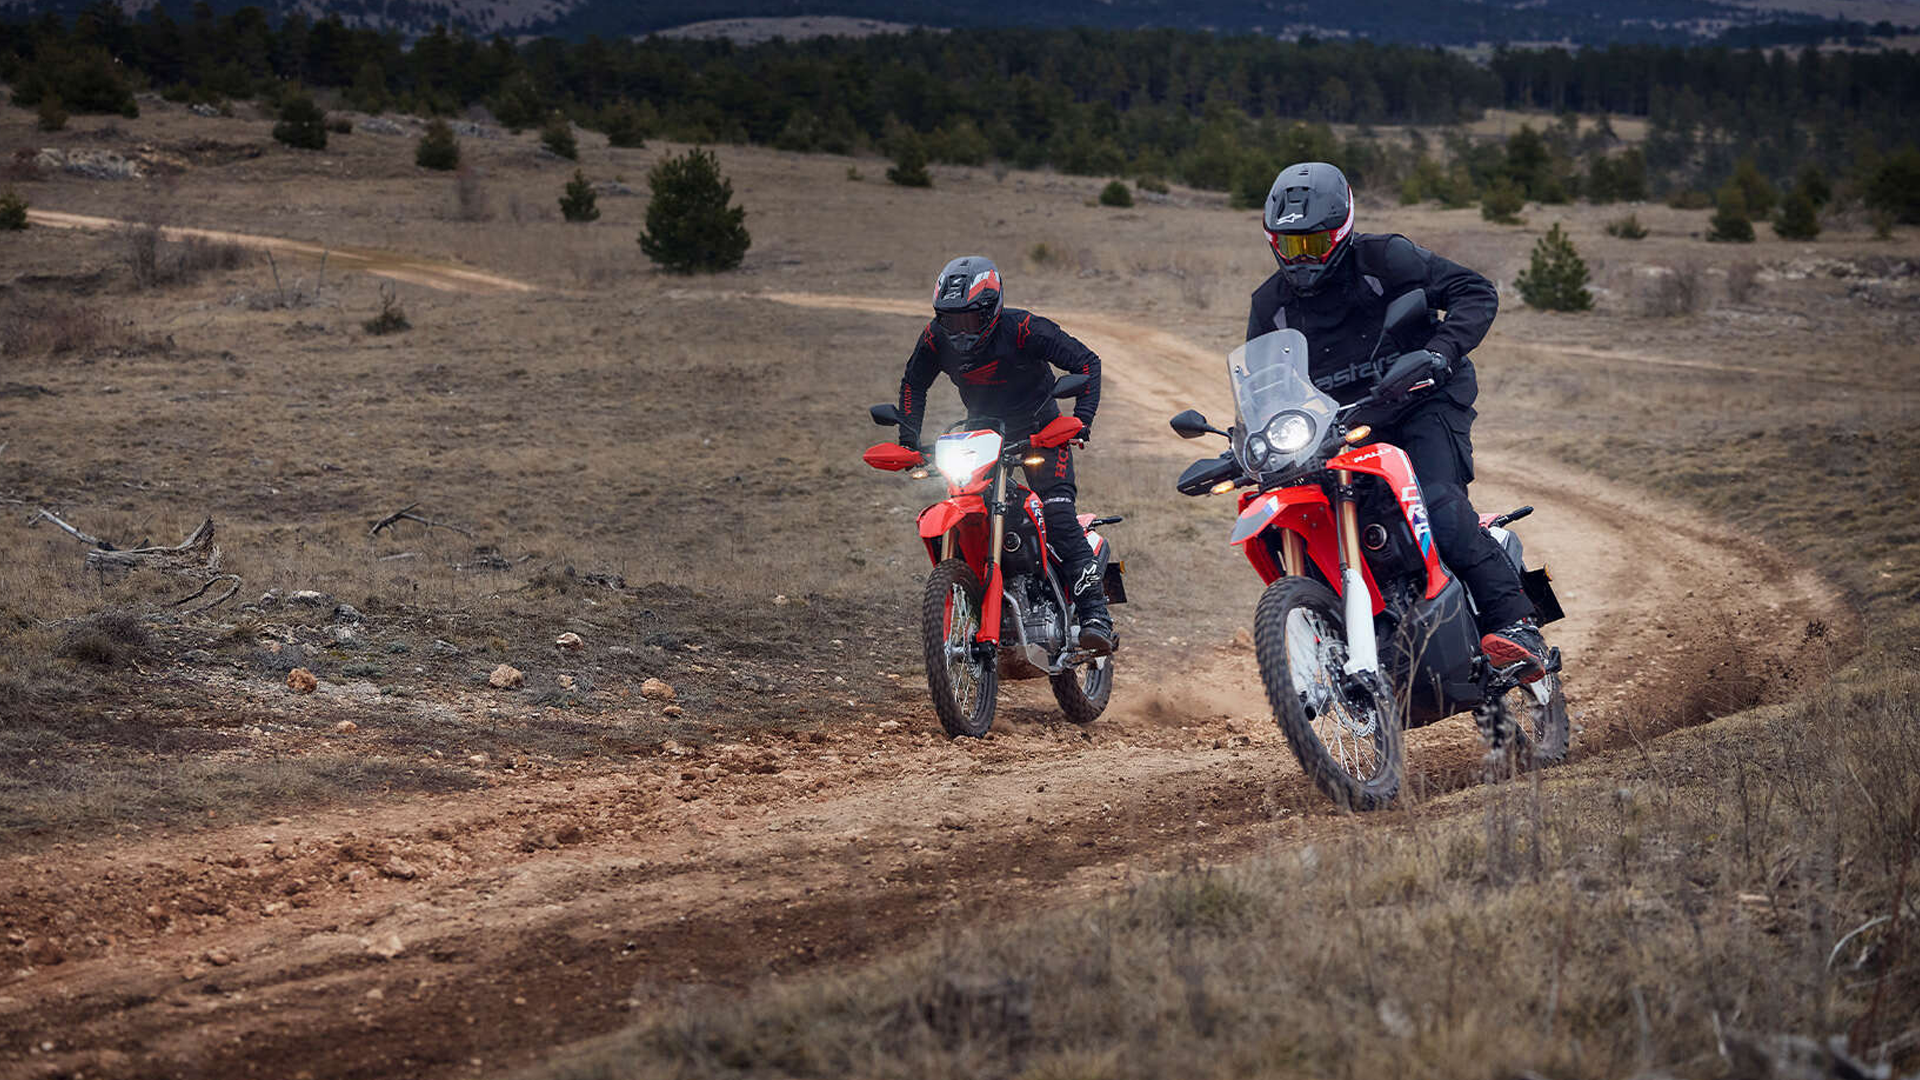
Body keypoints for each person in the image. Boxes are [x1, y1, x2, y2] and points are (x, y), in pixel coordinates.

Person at [1248, 161, 1550, 680]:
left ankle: (1518, 622)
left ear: (1341, 229)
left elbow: (1475, 292)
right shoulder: (1270, 304)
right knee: (1307, 516)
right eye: (1290, 244)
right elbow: (1263, 385)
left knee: (1435, 501)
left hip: (1424, 400)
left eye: (1314, 242)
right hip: (1341, 424)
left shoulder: (1385, 257)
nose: (1303, 257)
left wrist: (1438, 352)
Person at [896, 255, 1115, 655]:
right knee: (968, 507)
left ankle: (1095, 613)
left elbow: (1087, 362)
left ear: (991, 309)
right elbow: (914, 383)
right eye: (950, 319)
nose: (959, 330)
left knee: (1059, 516)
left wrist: (1080, 421)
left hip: (1041, 431)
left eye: (969, 320)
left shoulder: (1024, 329)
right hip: (981, 434)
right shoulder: (934, 339)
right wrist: (909, 440)